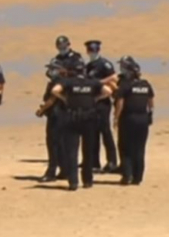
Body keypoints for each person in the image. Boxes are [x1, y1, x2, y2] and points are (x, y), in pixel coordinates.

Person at [51, 58, 112, 190]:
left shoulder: (68, 81)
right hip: (89, 118)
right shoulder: (91, 82)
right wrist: (95, 98)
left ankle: (73, 182)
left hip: (71, 117)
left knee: (72, 151)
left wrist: (65, 98)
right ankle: (88, 180)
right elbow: (108, 91)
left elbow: (55, 90)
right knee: (88, 151)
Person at [114, 56, 155, 186]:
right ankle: (138, 177)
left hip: (128, 118)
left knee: (125, 148)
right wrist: (150, 114)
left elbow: (120, 103)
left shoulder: (126, 85)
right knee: (139, 148)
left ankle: (127, 176)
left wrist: (115, 118)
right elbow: (151, 101)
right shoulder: (145, 84)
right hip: (143, 118)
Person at [84, 40, 119, 173]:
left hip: (103, 101)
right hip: (91, 102)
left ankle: (112, 161)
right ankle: (94, 161)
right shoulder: (88, 66)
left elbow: (114, 77)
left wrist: (99, 83)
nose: (92, 52)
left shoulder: (104, 64)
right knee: (92, 132)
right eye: (90, 50)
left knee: (105, 131)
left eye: (94, 50)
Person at [35, 59, 68, 182]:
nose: (50, 71)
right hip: (57, 115)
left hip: (57, 116)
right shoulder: (58, 82)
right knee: (60, 144)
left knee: (53, 144)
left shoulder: (59, 82)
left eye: (53, 68)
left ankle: (51, 172)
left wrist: (42, 110)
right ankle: (64, 170)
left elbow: (52, 100)